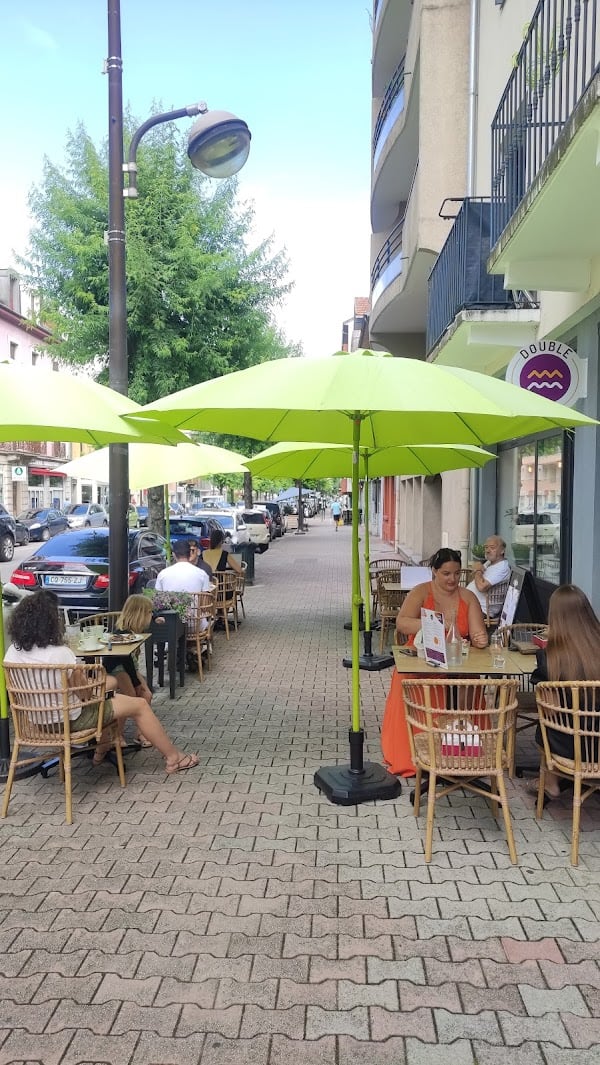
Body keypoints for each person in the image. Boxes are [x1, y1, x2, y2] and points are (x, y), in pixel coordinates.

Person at [4, 590, 199, 774]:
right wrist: (99, 683)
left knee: (111, 690)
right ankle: (174, 758)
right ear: (50, 623)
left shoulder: (12, 652)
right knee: (138, 704)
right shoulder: (60, 653)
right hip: (70, 720)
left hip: (35, 723)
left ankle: (103, 746)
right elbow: (85, 695)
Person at [381, 547, 488, 777]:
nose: (452, 579)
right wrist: (430, 625)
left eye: (457, 573)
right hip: (419, 659)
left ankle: (462, 750)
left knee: (469, 681)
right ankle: (420, 752)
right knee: (408, 679)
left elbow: (478, 635)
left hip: (457, 662)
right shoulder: (421, 592)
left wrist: (480, 639)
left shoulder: (467, 597)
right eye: (446, 573)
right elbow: (401, 623)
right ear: (434, 572)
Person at [529, 584, 600, 799]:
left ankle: (551, 780)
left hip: (573, 747)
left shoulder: (550, 658)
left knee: (546, 717)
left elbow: (550, 712)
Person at [467, 536, 511, 617]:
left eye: (492, 547)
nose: (487, 550)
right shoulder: (490, 562)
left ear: (502, 550)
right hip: (471, 603)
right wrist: (478, 570)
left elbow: (481, 587)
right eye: (486, 547)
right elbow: (474, 576)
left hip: (481, 609)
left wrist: (478, 570)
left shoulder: (502, 567)